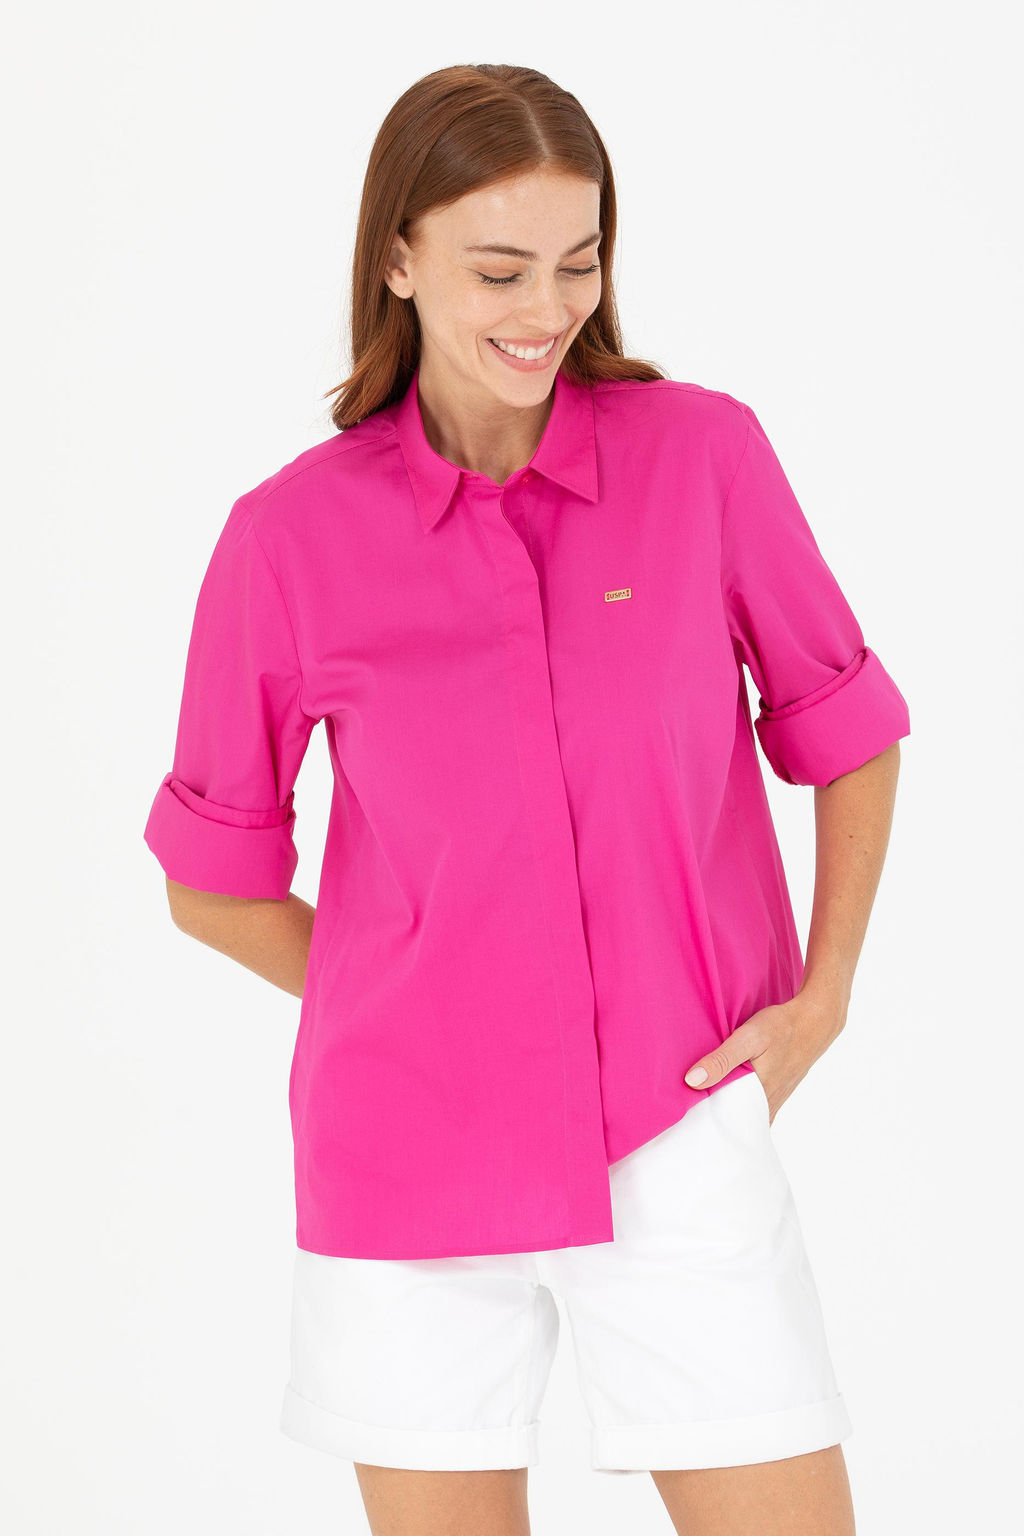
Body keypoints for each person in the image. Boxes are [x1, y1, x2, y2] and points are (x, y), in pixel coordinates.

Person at [143, 62, 909, 1536]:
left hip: (678, 1120)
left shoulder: (702, 458)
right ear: (398, 258)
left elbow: (847, 728)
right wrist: (430, 990)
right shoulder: (287, 541)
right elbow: (210, 882)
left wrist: (825, 995)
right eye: (500, 269)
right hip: (404, 1154)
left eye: (578, 262)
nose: (546, 308)